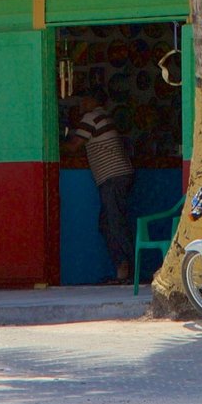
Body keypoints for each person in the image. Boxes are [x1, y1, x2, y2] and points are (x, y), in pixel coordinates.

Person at [70, 96, 136, 285]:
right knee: (108, 224)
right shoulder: (104, 117)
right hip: (118, 176)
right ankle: (123, 269)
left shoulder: (92, 117)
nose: (80, 104)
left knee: (115, 224)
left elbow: (74, 146)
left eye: (82, 100)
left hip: (112, 177)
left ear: (92, 101)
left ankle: (130, 271)